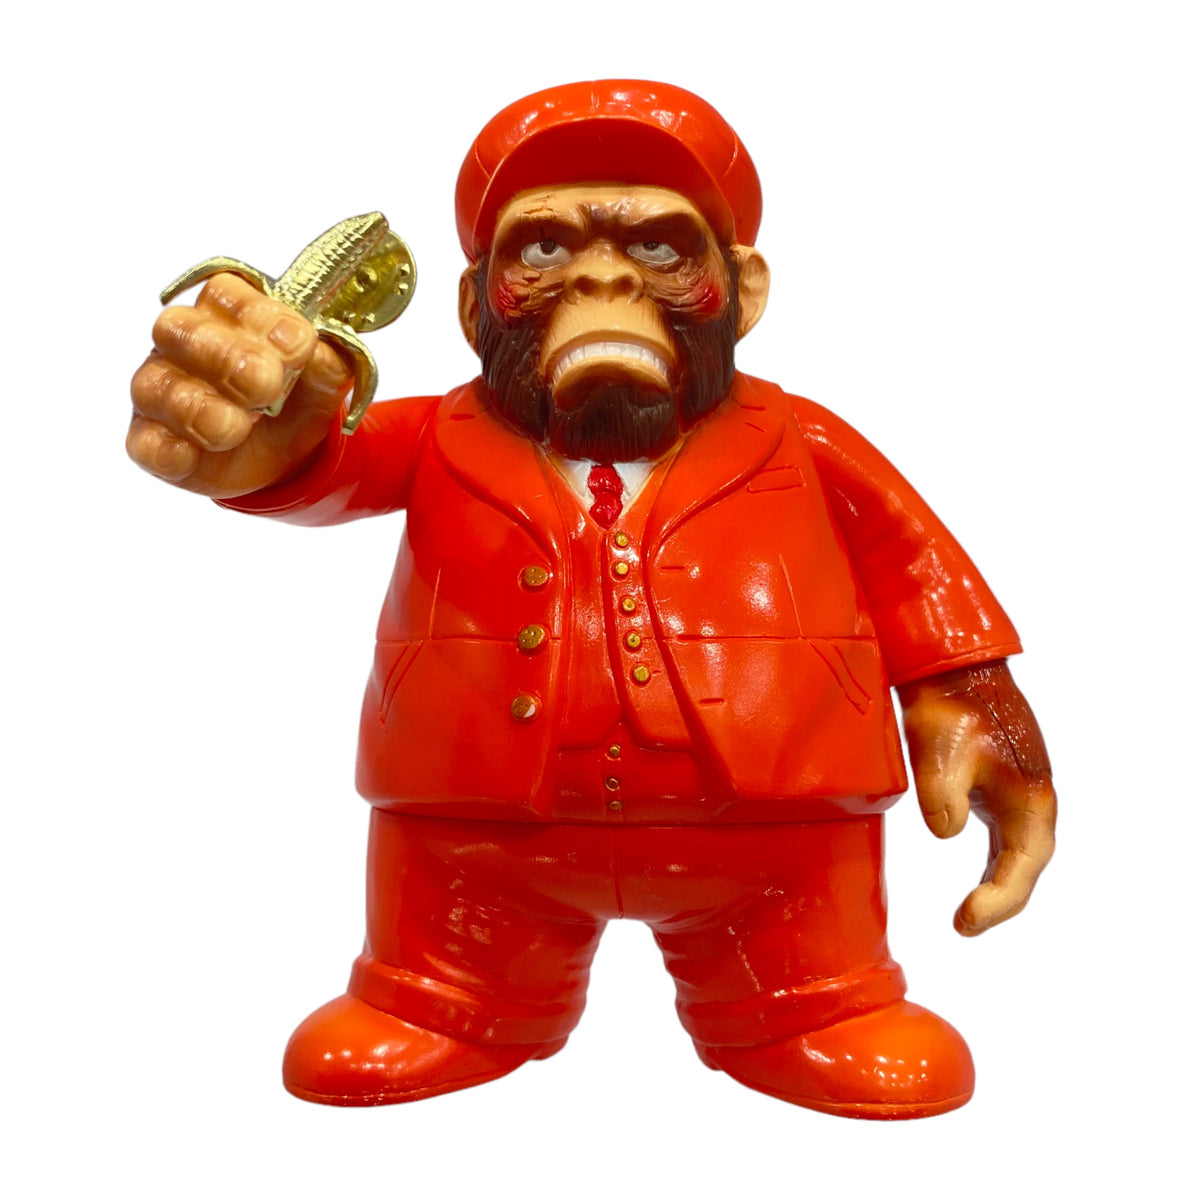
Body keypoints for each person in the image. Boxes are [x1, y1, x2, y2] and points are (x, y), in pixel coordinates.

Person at [127, 80, 1056, 1119]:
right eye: (544, 246)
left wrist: (974, 695)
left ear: (742, 290)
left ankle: (807, 1007)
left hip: (777, 829)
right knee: (436, 979)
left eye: (658, 245)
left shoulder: (799, 440)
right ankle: (448, 1001)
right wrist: (268, 440)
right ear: (476, 303)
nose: (603, 275)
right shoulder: (437, 436)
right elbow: (322, 465)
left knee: (816, 977)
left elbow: (912, 562)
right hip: (474, 831)